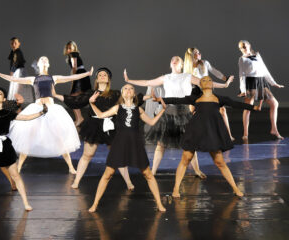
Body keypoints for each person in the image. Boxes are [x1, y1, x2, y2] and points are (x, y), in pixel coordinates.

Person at [124, 56, 233, 177]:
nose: (174, 60)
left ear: (181, 65)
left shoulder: (187, 76)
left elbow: (206, 83)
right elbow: (147, 82)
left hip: (185, 114)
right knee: (161, 145)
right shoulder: (166, 77)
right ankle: (153, 171)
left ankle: (197, 170)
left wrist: (224, 85)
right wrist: (129, 80)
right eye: (172, 59)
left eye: (177, 59)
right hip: (169, 114)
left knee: (191, 145)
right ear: (171, 64)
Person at [156, 76, 261, 198]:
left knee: (220, 162)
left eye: (210, 80)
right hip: (195, 131)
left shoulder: (219, 98)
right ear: (200, 84)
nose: (207, 81)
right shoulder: (195, 98)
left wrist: (254, 107)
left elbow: (235, 104)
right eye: (204, 80)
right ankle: (176, 189)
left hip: (211, 133)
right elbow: (176, 99)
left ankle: (235, 188)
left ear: (213, 84)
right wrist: (160, 99)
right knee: (185, 159)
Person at [0, 56, 93, 173]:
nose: (44, 60)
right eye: (41, 59)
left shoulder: (54, 78)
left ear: (48, 64)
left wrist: (87, 73)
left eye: (46, 59)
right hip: (36, 109)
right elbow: (13, 79)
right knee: (28, 137)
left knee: (59, 138)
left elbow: (71, 77)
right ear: (38, 64)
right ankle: (19, 166)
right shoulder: (33, 79)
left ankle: (71, 167)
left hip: (52, 110)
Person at [52, 67, 145, 189]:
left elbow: (130, 101)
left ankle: (128, 182)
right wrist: (55, 95)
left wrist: (148, 97)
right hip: (93, 126)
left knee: (118, 155)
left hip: (110, 126)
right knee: (87, 155)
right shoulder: (91, 93)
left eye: (104, 75)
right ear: (96, 79)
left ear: (108, 79)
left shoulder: (115, 93)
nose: (102, 76)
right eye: (100, 75)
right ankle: (76, 181)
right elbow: (76, 101)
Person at [87, 84, 167, 212]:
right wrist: (92, 103)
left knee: (148, 174)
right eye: (125, 88)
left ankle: (159, 204)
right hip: (120, 143)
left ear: (134, 94)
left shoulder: (138, 109)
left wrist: (163, 110)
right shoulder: (117, 108)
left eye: (131, 89)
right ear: (122, 93)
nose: (128, 90)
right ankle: (95, 204)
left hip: (136, 144)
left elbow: (151, 122)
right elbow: (101, 115)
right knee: (108, 174)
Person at [184, 47, 235, 141]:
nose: (199, 54)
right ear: (191, 56)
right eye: (196, 53)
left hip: (207, 90)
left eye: (199, 52)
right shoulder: (187, 69)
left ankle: (228, 135)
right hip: (195, 91)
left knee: (222, 110)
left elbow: (214, 71)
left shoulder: (204, 63)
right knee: (194, 113)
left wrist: (225, 78)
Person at [238, 40, 284, 140]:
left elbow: (265, 70)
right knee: (248, 108)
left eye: (245, 46)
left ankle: (274, 129)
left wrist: (273, 82)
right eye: (242, 48)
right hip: (250, 82)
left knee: (274, 103)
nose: (244, 49)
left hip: (261, 82)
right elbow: (241, 75)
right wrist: (243, 89)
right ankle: (245, 133)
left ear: (249, 45)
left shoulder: (257, 55)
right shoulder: (242, 59)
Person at [64, 41, 92, 126]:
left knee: (73, 98)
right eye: (68, 48)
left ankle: (80, 118)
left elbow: (74, 67)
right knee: (74, 98)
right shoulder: (72, 55)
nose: (69, 49)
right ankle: (79, 118)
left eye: (71, 48)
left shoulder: (74, 54)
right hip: (81, 75)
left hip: (79, 75)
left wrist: (73, 77)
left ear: (74, 48)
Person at [7, 37, 34, 104]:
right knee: (17, 86)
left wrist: (12, 72)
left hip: (18, 71)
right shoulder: (14, 52)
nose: (13, 45)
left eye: (15, 43)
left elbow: (15, 63)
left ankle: (18, 102)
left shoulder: (17, 52)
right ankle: (17, 102)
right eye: (12, 43)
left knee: (17, 86)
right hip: (18, 71)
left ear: (19, 44)